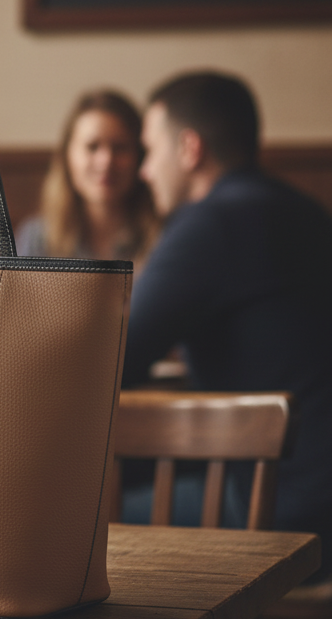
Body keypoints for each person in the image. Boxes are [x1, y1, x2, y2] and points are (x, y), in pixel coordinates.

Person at [122, 70, 332, 554]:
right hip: (318, 489)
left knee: (77, 521)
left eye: (151, 151)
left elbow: (117, 355)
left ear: (189, 149)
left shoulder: (211, 224)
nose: (145, 170)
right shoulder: (305, 211)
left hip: (286, 507)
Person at [16, 89, 159, 262]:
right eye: (92, 147)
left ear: (140, 156)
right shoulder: (37, 238)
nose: (105, 162)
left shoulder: (164, 235)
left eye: (120, 148)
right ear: (67, 156)